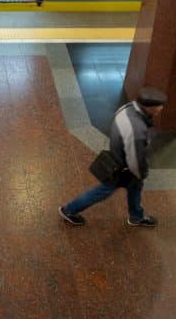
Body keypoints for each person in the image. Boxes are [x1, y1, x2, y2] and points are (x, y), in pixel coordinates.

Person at [58, 86, 168, 228]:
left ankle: (137, 216)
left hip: (116, 156)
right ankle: (69, 210)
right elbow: (134, 159)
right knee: (102, 191)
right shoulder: (137, 129)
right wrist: (141, 174)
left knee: (135, 188)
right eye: (159, 106)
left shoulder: (127, 108)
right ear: (149, 107)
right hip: (123, 168)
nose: (161, 109)